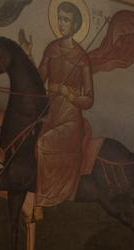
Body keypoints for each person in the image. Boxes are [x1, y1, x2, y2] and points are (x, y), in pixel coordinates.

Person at [35, 2, 94, 217]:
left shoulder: (82, 58)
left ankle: (43, 200)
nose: (61, 23)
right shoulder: (51, 49)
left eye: (66, 20)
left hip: (70, 119)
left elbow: (89, 99)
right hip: (49, 113)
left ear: (76, 24)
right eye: (59, 18)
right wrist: (26, 55)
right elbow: (38, 79)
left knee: (43, 144)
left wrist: (70, 95)